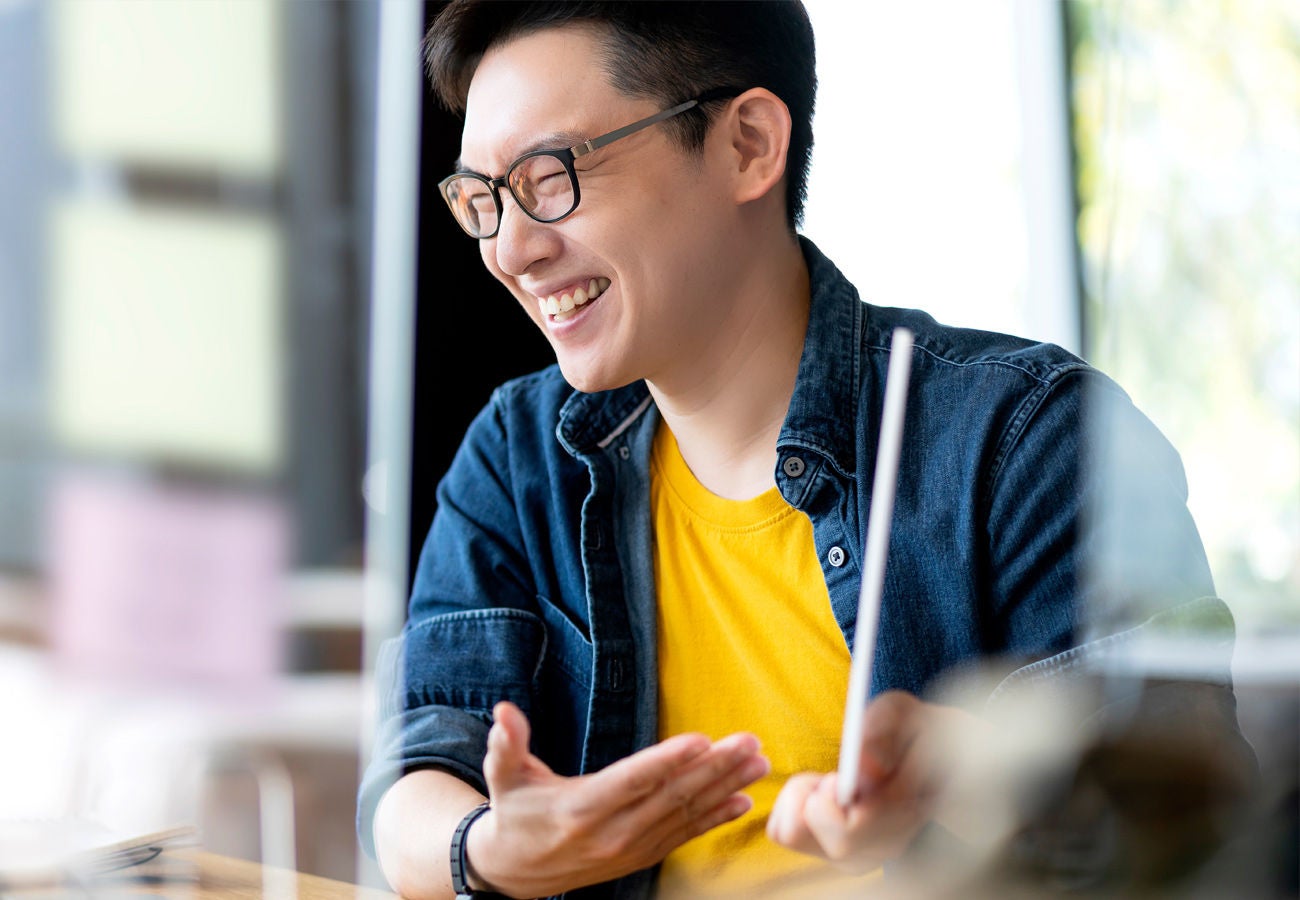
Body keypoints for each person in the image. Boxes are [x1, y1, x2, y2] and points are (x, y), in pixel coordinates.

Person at [357, 3, 1255, 898]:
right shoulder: (519, 459)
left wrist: (967, 784)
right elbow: (412, 778)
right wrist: (491, 845)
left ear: (748, 144)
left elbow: (1188, 815)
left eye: (551, 176)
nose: (511, 249)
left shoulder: (1028, 439)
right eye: (481, 199)